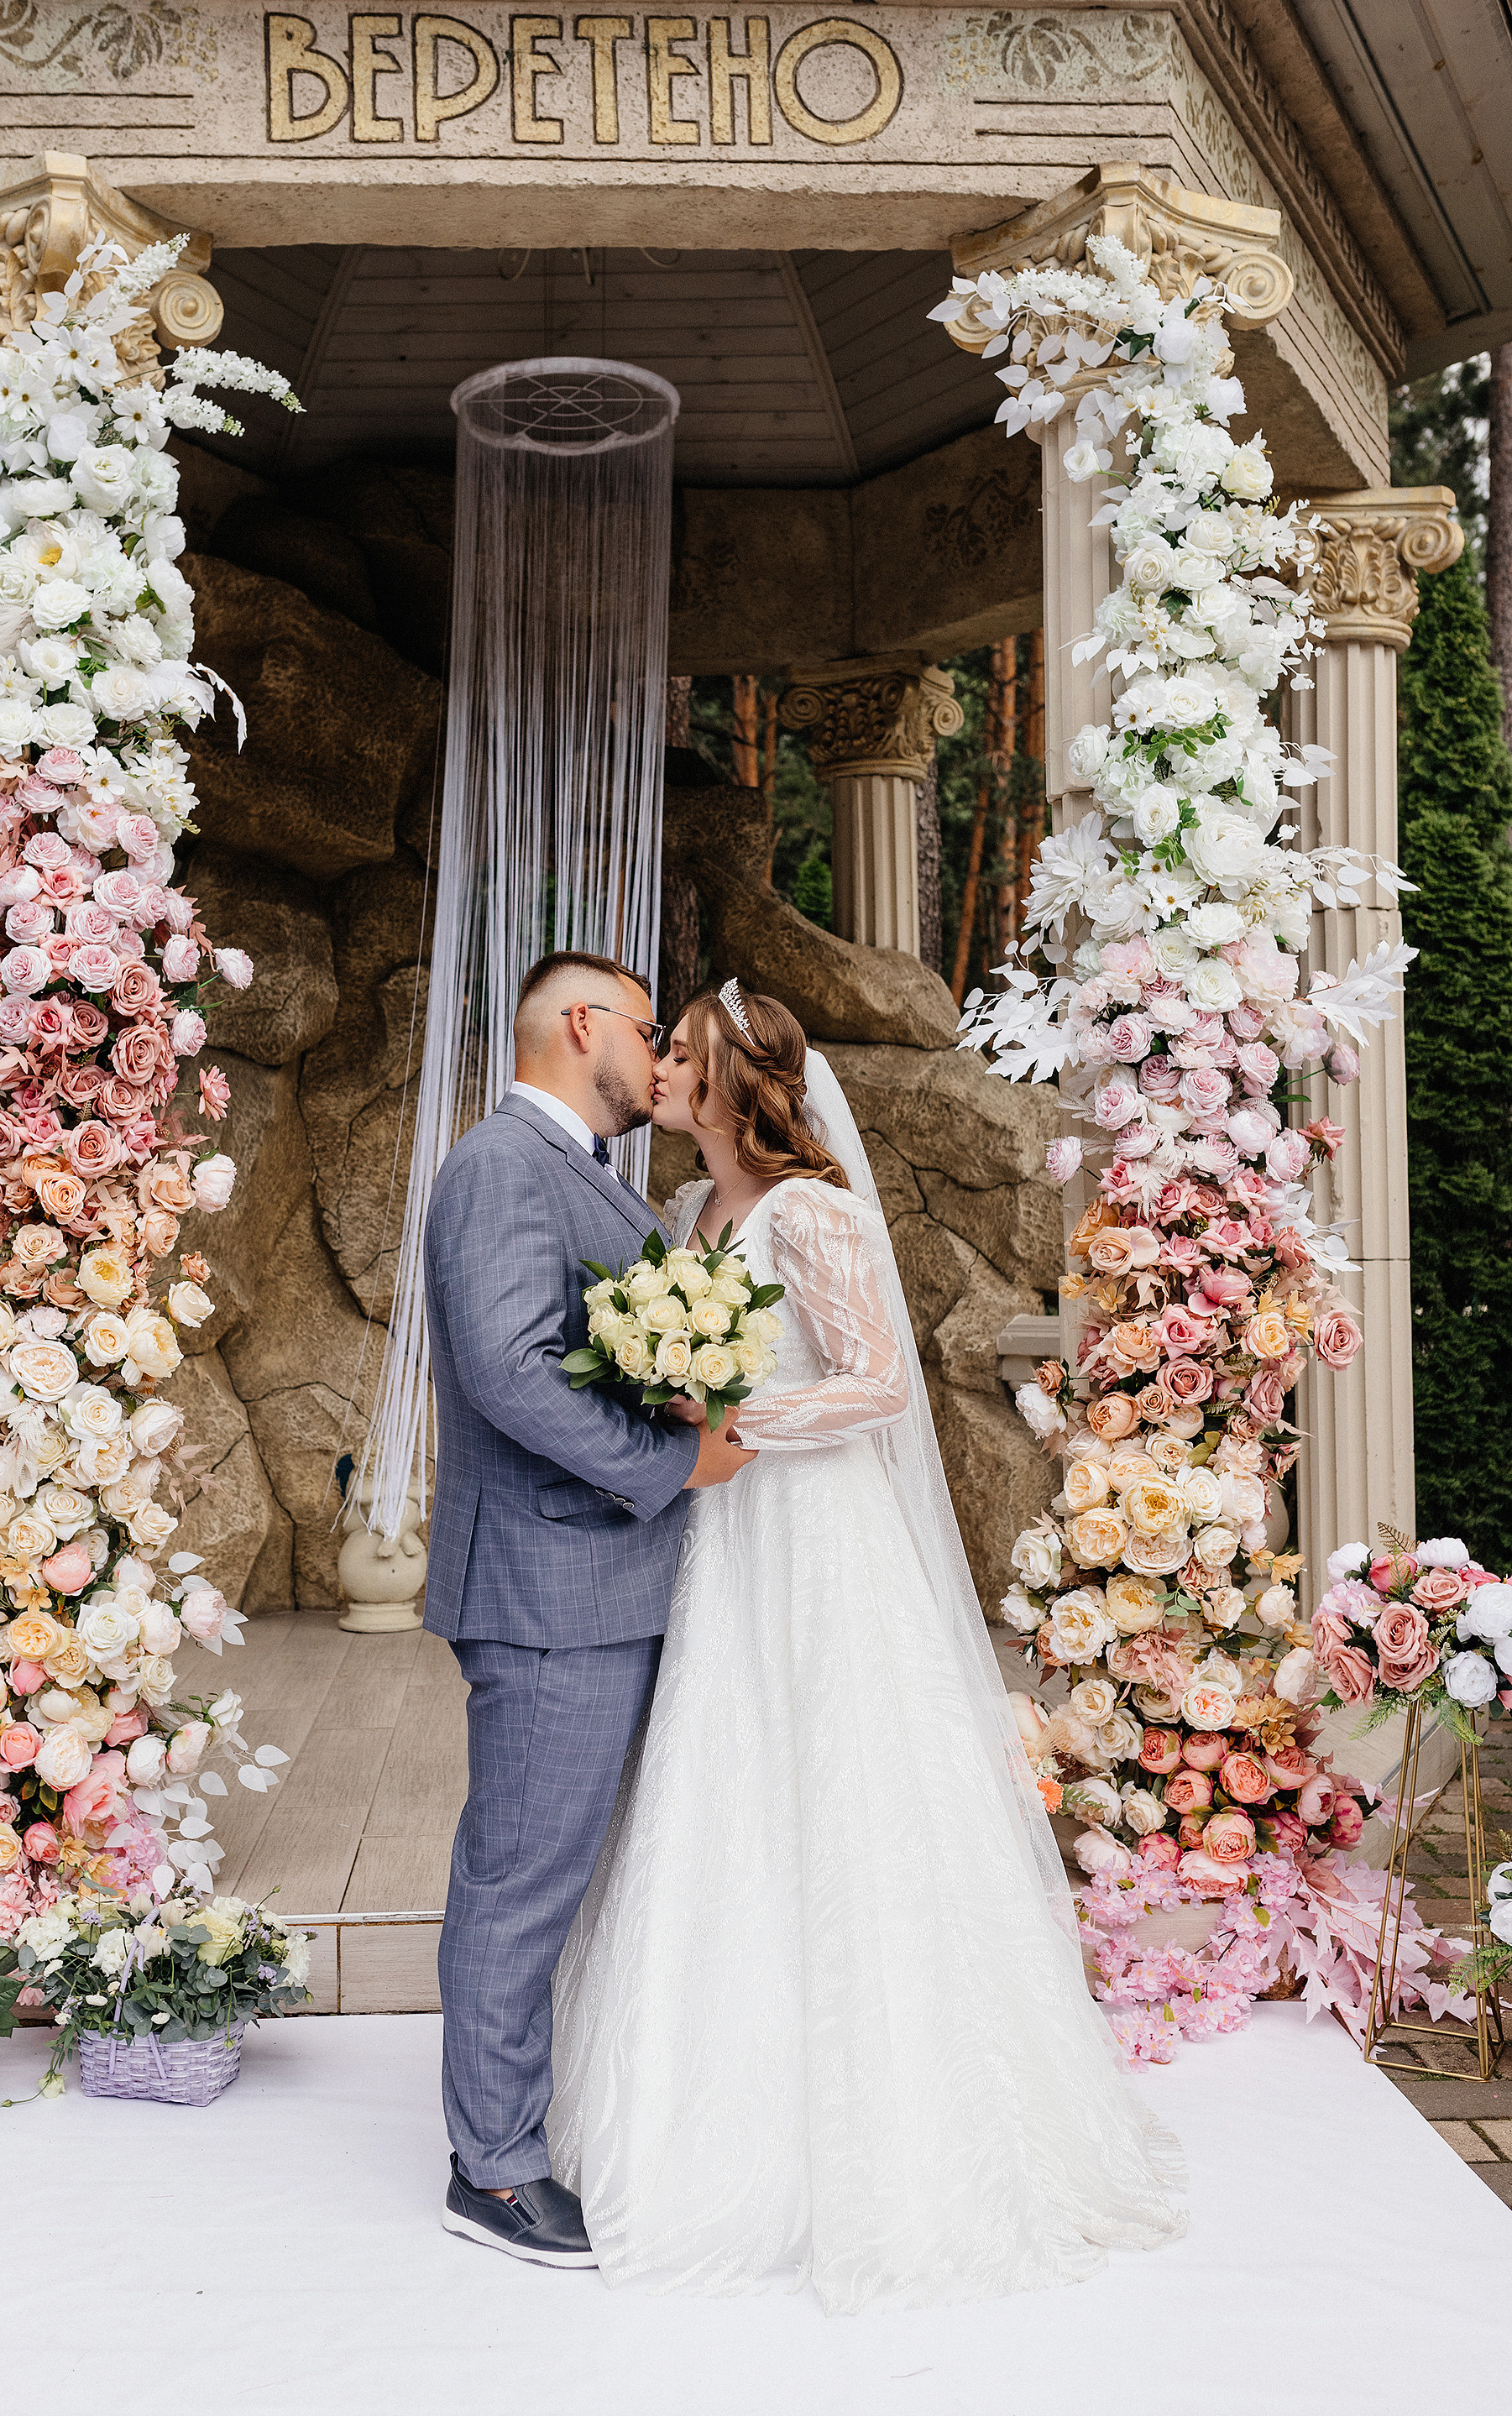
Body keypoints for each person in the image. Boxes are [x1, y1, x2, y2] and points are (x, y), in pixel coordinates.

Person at [546, 979, 1187, 2311]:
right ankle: (704, 2117)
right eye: (656, 1047)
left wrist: (741, 1420)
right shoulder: (685, 1211)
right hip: (723, 1542)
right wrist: (678, 1402)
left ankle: (907, 2129)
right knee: (723, 1777)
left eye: (681, 1052)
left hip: (813, 1530)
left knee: (849, 1783)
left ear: (735, 1081)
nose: (659, 1066)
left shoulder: (813, 1212)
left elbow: (880, 1378)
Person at [423, 949, 756, 2271]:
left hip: (605, 1581)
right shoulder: (504, 1167)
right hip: (553, 1584)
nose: (661, 1055)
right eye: (646, 1028)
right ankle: (492, 2169)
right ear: (579, 1025)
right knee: (519, 1879)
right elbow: (508, 1373)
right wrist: (671, 1463)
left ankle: (537, 2122)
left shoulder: (584, 1179)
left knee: (571, 1875)